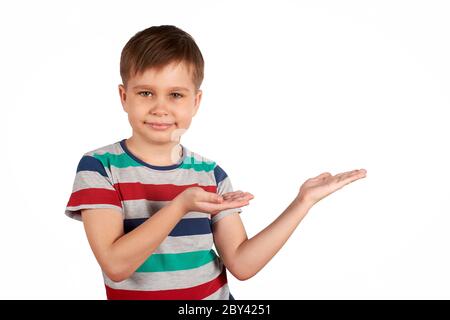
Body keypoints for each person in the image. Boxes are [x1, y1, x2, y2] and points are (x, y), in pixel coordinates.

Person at [65, 25, 367, 300]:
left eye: (175, 95)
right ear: (124, 97)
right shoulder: (99, 167)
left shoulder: (210, 173)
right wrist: (180, 205)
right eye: (146, 92)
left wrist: (302, 201)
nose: (160, 107)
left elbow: (241, 264)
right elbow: (117, 265)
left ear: (195, 102)